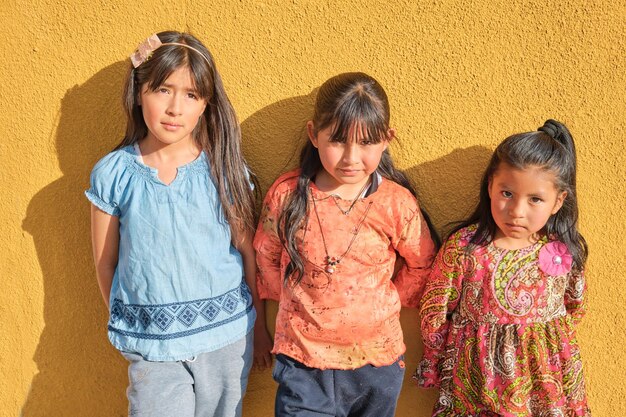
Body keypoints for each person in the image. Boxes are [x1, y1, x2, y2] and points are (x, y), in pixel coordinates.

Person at [86, 31, 271, 417]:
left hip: (227, 339)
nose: (175, 108)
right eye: (162, 89)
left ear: (205, 105)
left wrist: (260, 328)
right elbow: (106, 262)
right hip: (153, 349)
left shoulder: (224, 170)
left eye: (191, 95)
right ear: (139, 93)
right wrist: (133, 322)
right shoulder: (115, 174)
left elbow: (246, 250)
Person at [254, 72, 438, 417]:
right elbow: (266, 255)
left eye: (366, 142)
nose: (351, 157)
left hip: (376, 362)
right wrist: (297, 304)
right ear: (314, 134)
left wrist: (383, 301)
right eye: (338, 140)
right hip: (303, 361)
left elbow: (423, 263)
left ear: (386, 140)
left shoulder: (396, 203)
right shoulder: (287, 195)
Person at [415, 120, 591, 416]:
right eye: (506, 193)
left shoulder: (562, 250)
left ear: (558, 201)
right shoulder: (465, 248)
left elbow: (574, 306)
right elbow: (435, 307)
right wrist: (434, 358)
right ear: (490, 186)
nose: (517, 211)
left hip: (545, 390)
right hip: (475, 386)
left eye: (535, 199)